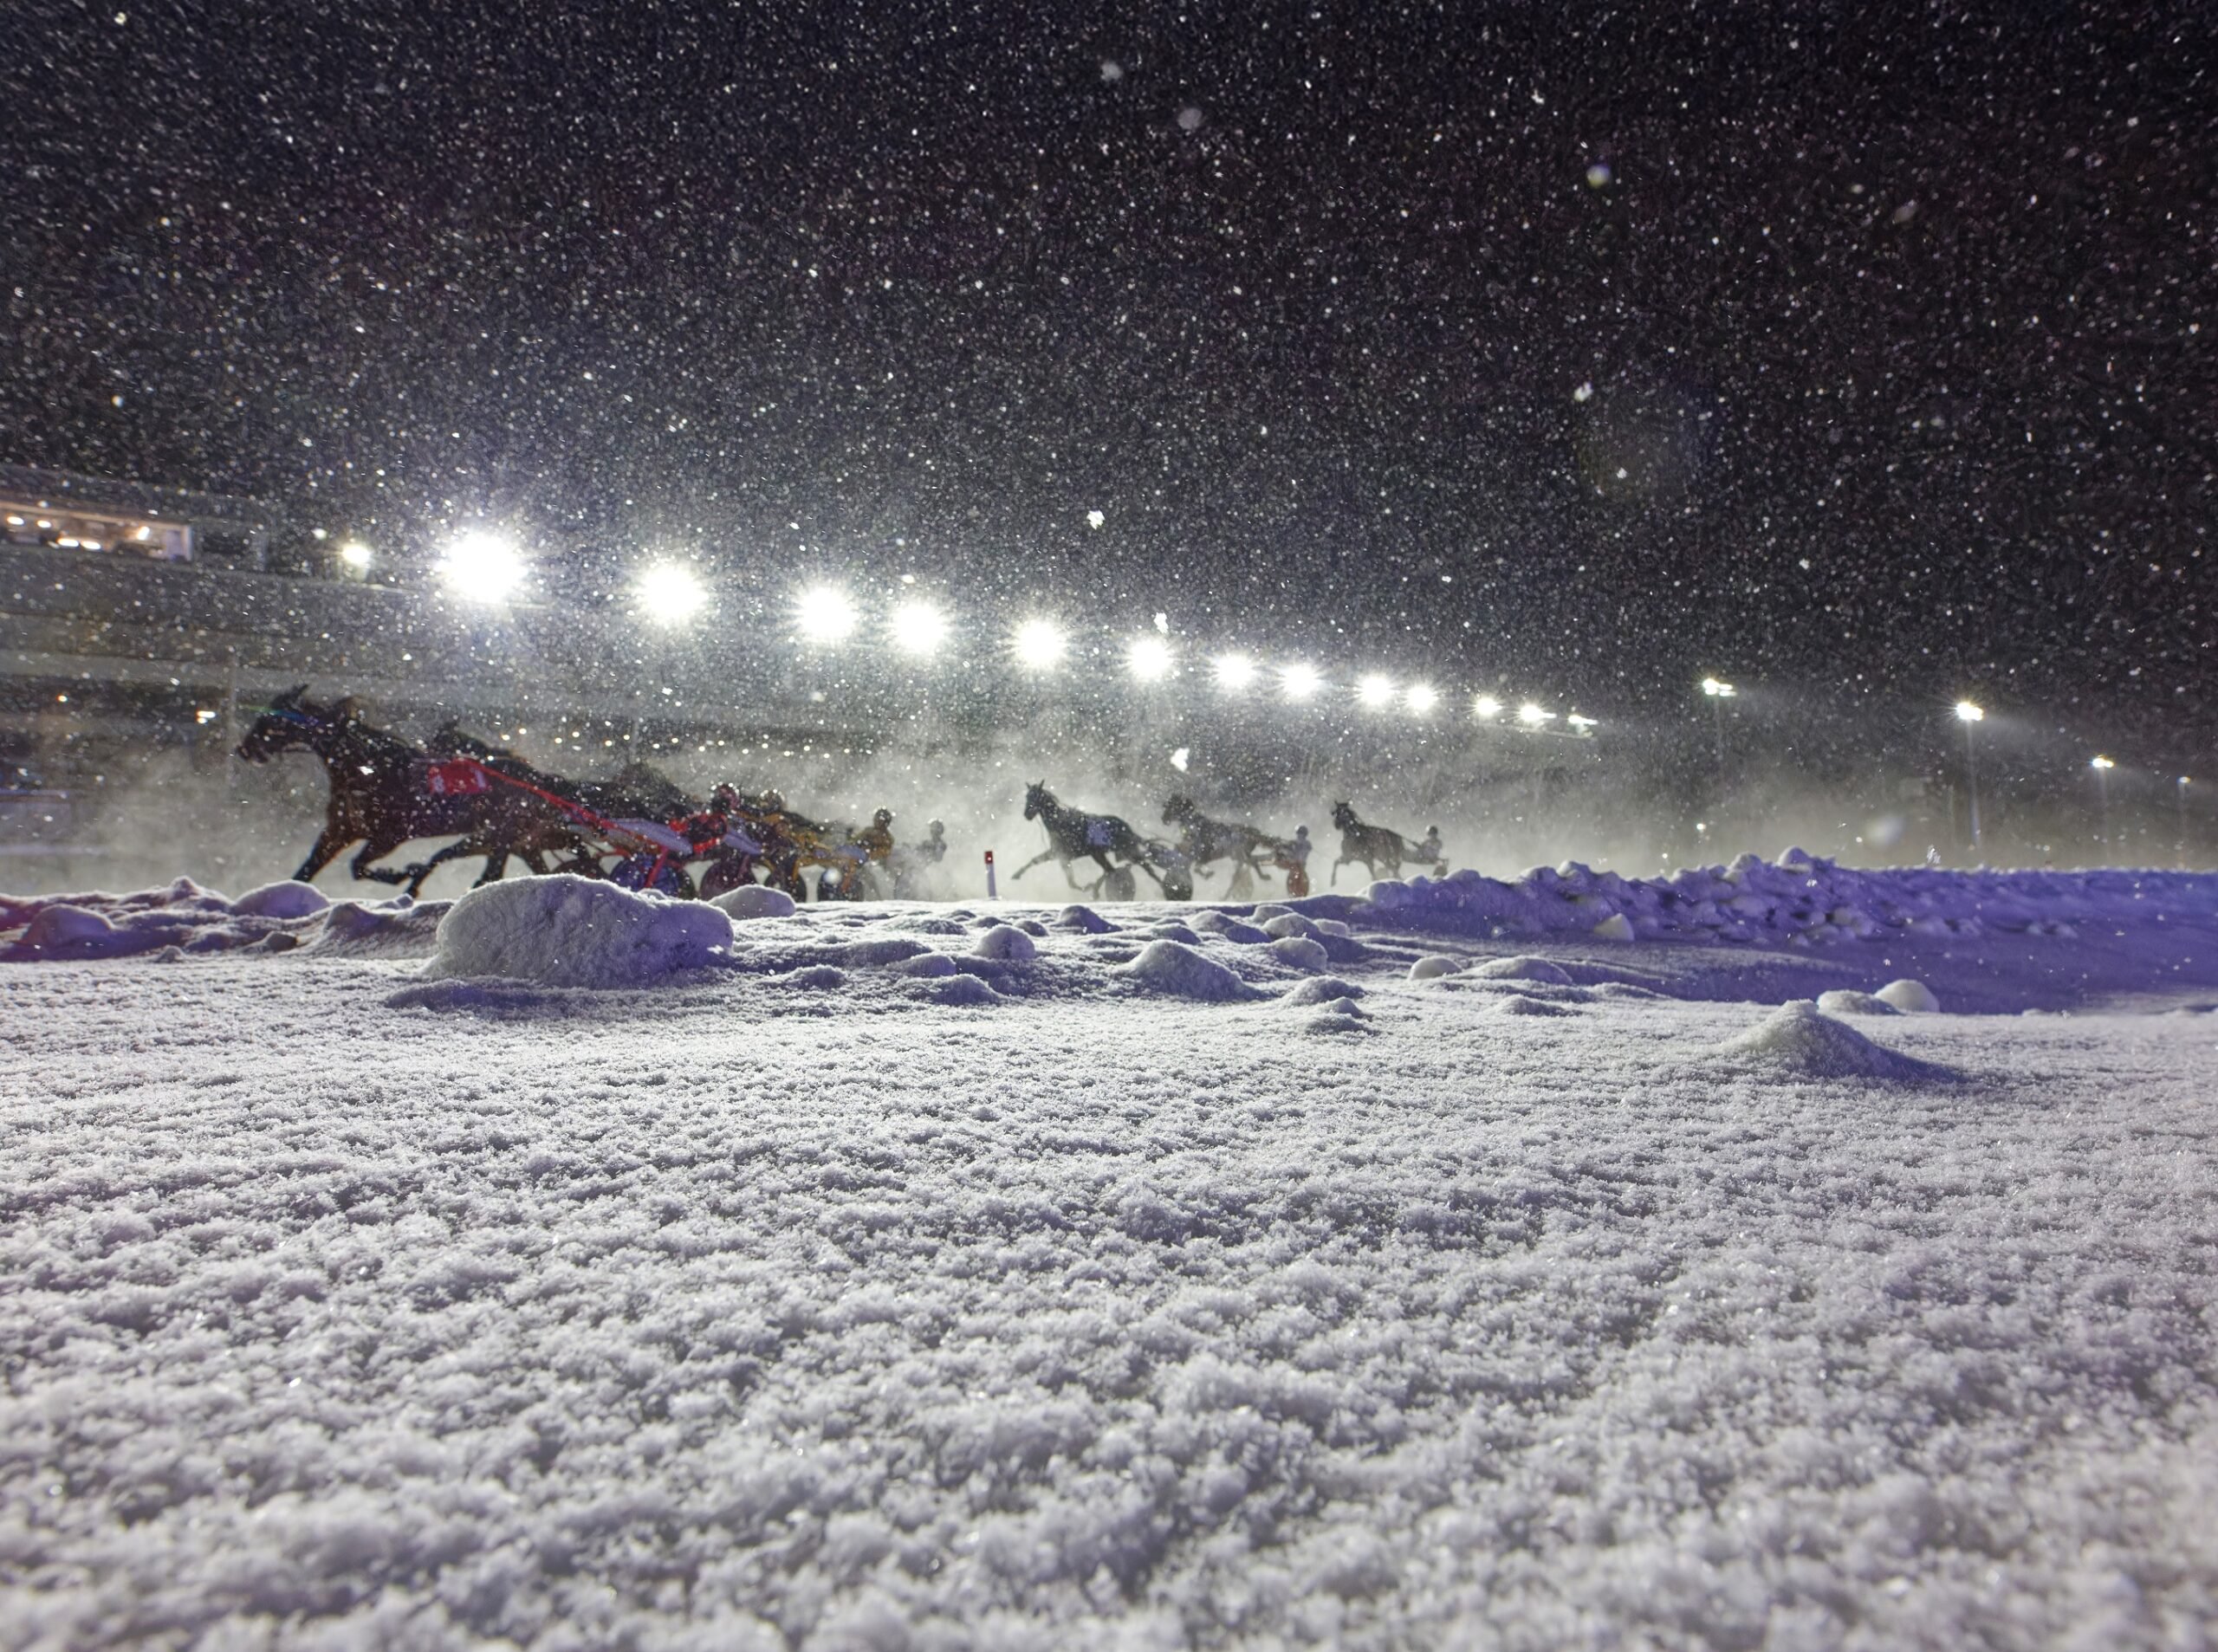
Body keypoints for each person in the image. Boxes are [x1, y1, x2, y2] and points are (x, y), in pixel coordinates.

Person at [1275, 825, 1312, 897]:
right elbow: (1289, 853)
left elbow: (1303, 853)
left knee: (1297, 875)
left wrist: (1294, 846)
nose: (1300, 836)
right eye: (1299, 834)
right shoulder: (1293, 843)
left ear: (1305, 835)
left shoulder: (1307, 844)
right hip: (1293, 864)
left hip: (1300, 865)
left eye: (1302, 834)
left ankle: (1296, 892)